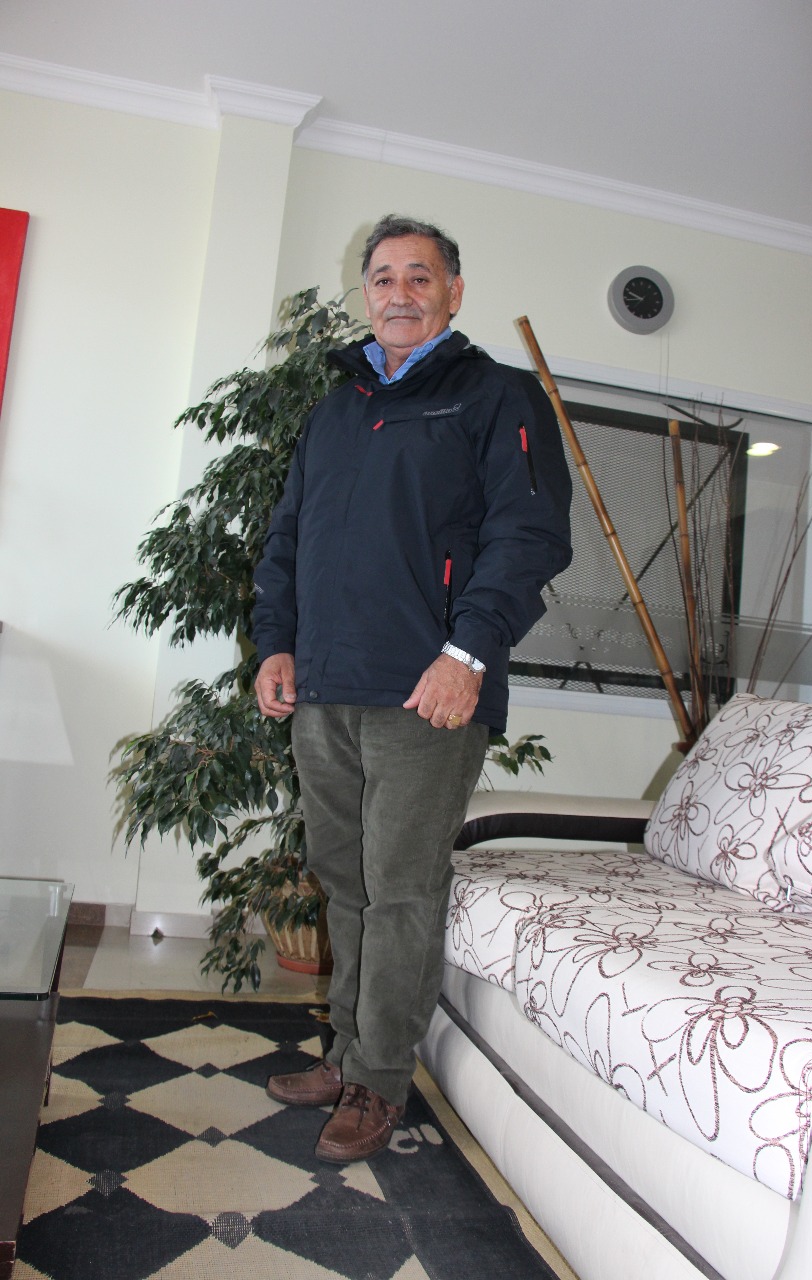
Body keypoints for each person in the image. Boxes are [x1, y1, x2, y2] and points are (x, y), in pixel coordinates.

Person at [253, 214, 572, 1163]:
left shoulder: (496, 394)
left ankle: (380, 1079)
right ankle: (349, 1051)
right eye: (383, 277)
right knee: (345, 881)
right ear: (366, 294)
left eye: (419, 277)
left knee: (399, 889)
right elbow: (289, 535)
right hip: (325, 686)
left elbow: (529, 537)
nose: (399, 293)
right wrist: (277, 643)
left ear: (453, 293)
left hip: (428, 689)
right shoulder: (336, 409)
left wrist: (466, 656)